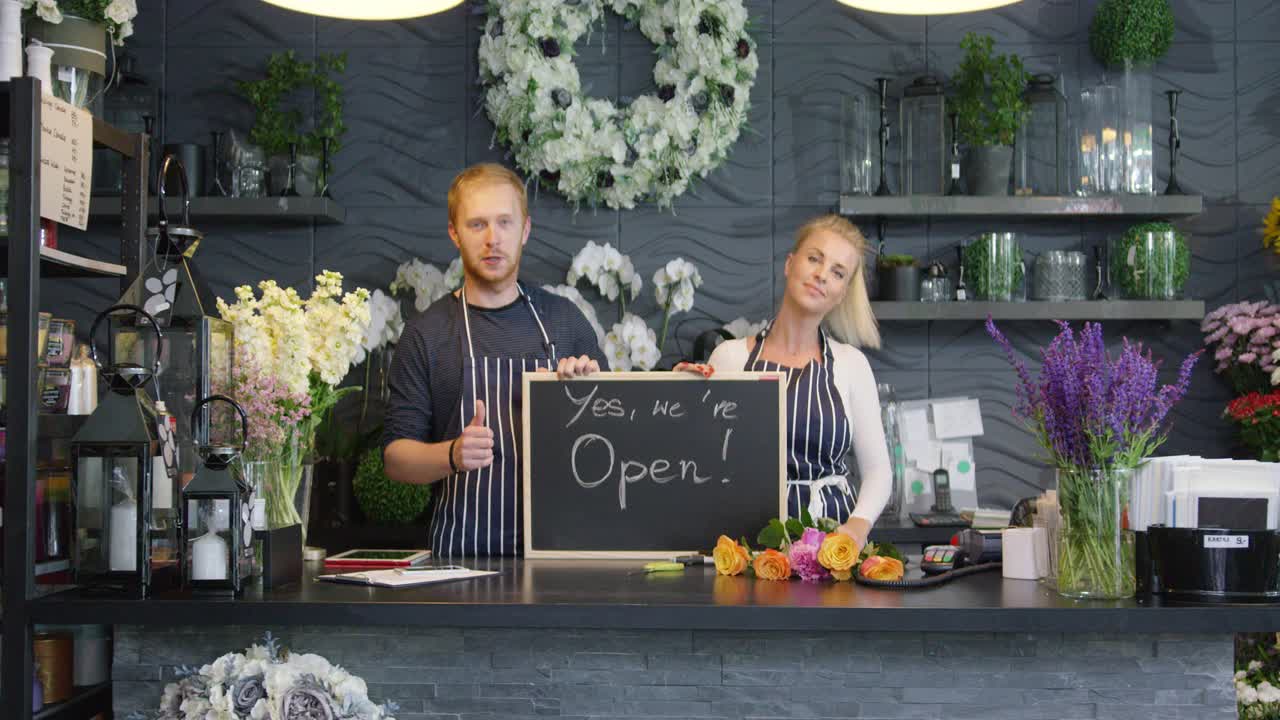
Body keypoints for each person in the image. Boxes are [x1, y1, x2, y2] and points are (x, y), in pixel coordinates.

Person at [383, 163, 606, 557]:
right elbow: (396, 459)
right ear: (454, 233)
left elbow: (616, 434)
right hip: (463, 559)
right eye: (477, 225)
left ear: (525, 230)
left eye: (505, 222)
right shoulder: (427, 334)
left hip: (565, 556)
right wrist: (452, 454)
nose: (493, 239)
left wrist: (590, 394)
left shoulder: (565, 322)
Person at [683, 214, 891, 549]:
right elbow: (702, 463)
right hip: (748, 543)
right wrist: (686, 401)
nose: (822, 275)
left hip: (830, 547)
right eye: (814, 259)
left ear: (841, 294)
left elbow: (879, 471)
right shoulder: (730, 358)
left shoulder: (852, 366)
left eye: (838, 272)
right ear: (790, 264)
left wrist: (855, 528)